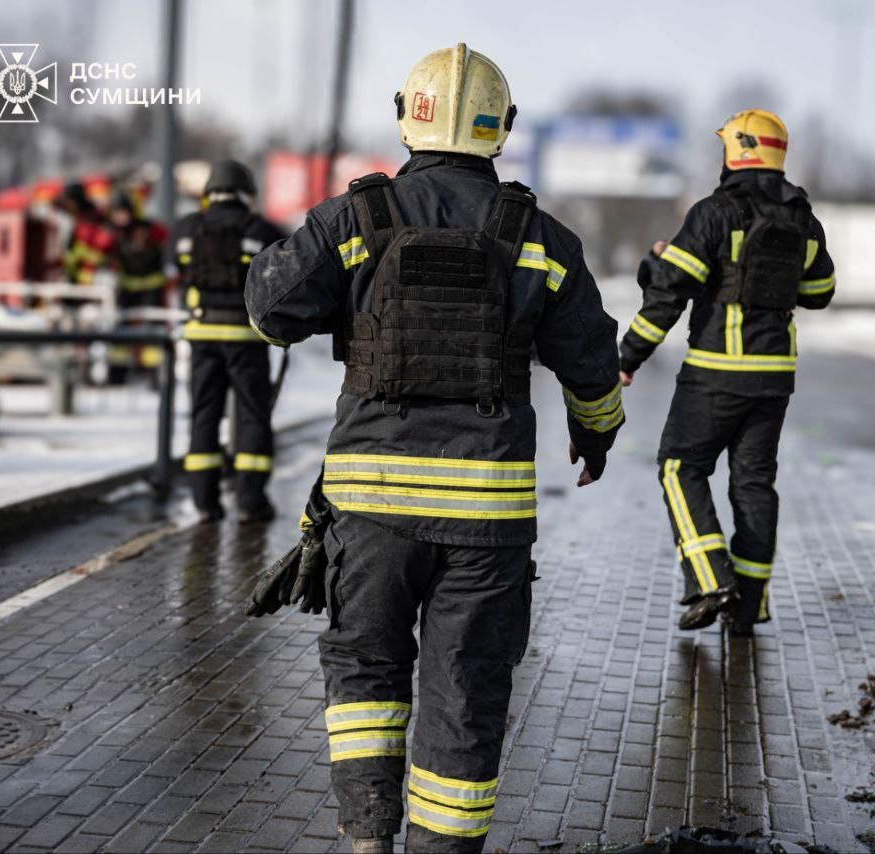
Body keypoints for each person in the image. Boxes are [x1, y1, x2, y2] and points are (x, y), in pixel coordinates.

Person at [245, 43, 623, 854]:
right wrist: (596, 434)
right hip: (485, 525)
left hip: (369, 510)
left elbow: (271, 309)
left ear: (404, 118)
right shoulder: (538, 238)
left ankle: (366, 840)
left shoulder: (358, 220)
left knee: (366, 679)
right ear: (504, 129)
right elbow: (592, 364)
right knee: (466, 694)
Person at [618, 109, 836, 635]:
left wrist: (627, 358)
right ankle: (750, 605)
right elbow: (820, 293)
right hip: (774, 377)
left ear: (735, 152)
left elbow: (670, 293)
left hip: (715, 373)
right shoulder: (803, 219)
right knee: (755, 485)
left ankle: (711, 578)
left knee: (679, 467)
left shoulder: (714, 213)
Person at [168, 160, 285, 522]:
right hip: (246, 337)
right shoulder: (260, 228)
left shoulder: (187, 229)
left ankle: (205, 502)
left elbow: (175, 266)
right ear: (246, 194)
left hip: (201, 336)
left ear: (208, 194)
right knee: (253, 415)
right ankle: (251, 502)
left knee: (204, 415)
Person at [109, 191, 169, 382]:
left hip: (151, 290)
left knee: (152, 332)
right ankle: (118, 373)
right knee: (122, 332)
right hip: (126, 291)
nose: (119, 217)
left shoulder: (149, 229)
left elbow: (168, 240)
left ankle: (153, 374)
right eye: (115, 213)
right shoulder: (115, 233)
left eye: (122, 212)